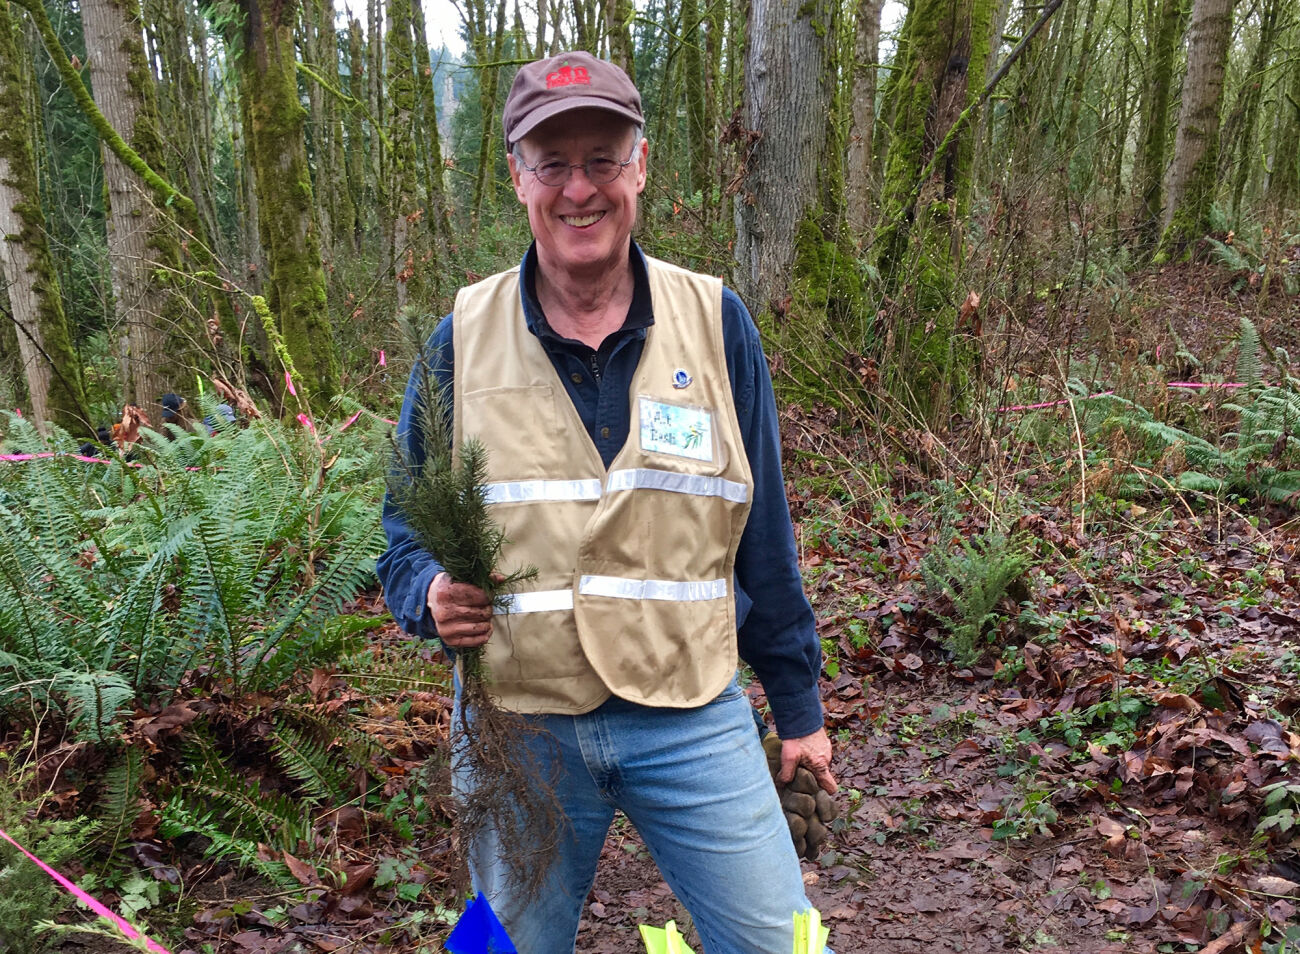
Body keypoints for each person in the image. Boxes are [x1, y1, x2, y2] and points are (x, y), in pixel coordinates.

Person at [377, 50, 837, 954]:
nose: (578, 189)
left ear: (642, 166)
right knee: (501, 948)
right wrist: (426, 593)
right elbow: (400, 534)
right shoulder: (459, 339)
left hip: (691, 710)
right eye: (553, 163)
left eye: (602, 159)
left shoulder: (715, 322)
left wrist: (800, 708)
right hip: (518, 721)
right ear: (518, 178)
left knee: (784, 943)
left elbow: (764, 532)